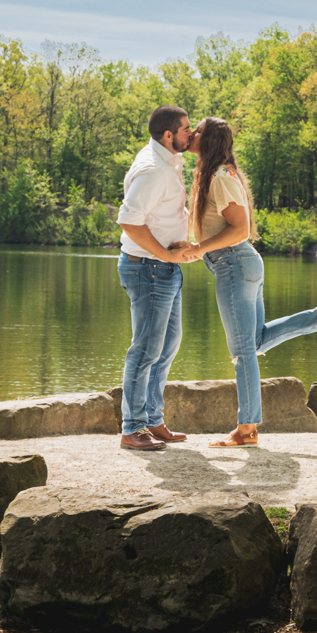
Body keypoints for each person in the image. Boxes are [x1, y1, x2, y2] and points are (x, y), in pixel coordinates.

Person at [186, 116, 317, 448]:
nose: (191, 134)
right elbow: (217, 230)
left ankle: (246, 430)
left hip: (234, 264)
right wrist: (194, 250)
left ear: (209, 140)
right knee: (253, 343)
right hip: (242, 263)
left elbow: (238, 230)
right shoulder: (220, 174)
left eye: (197, 130)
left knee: (243, 352)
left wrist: (199, 249)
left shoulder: (220, 177)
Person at [115, 105, 202, 451]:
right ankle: (131, 429)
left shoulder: (168, 159)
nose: (190, 134)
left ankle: (152, 419)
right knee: (145, 350)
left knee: (166, 347)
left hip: (164, 268)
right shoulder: (153, 170)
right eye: (186, 129)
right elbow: (129, 220)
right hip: (149, 268)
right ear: (169, 135)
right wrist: (166, 254)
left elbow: (165, 210)